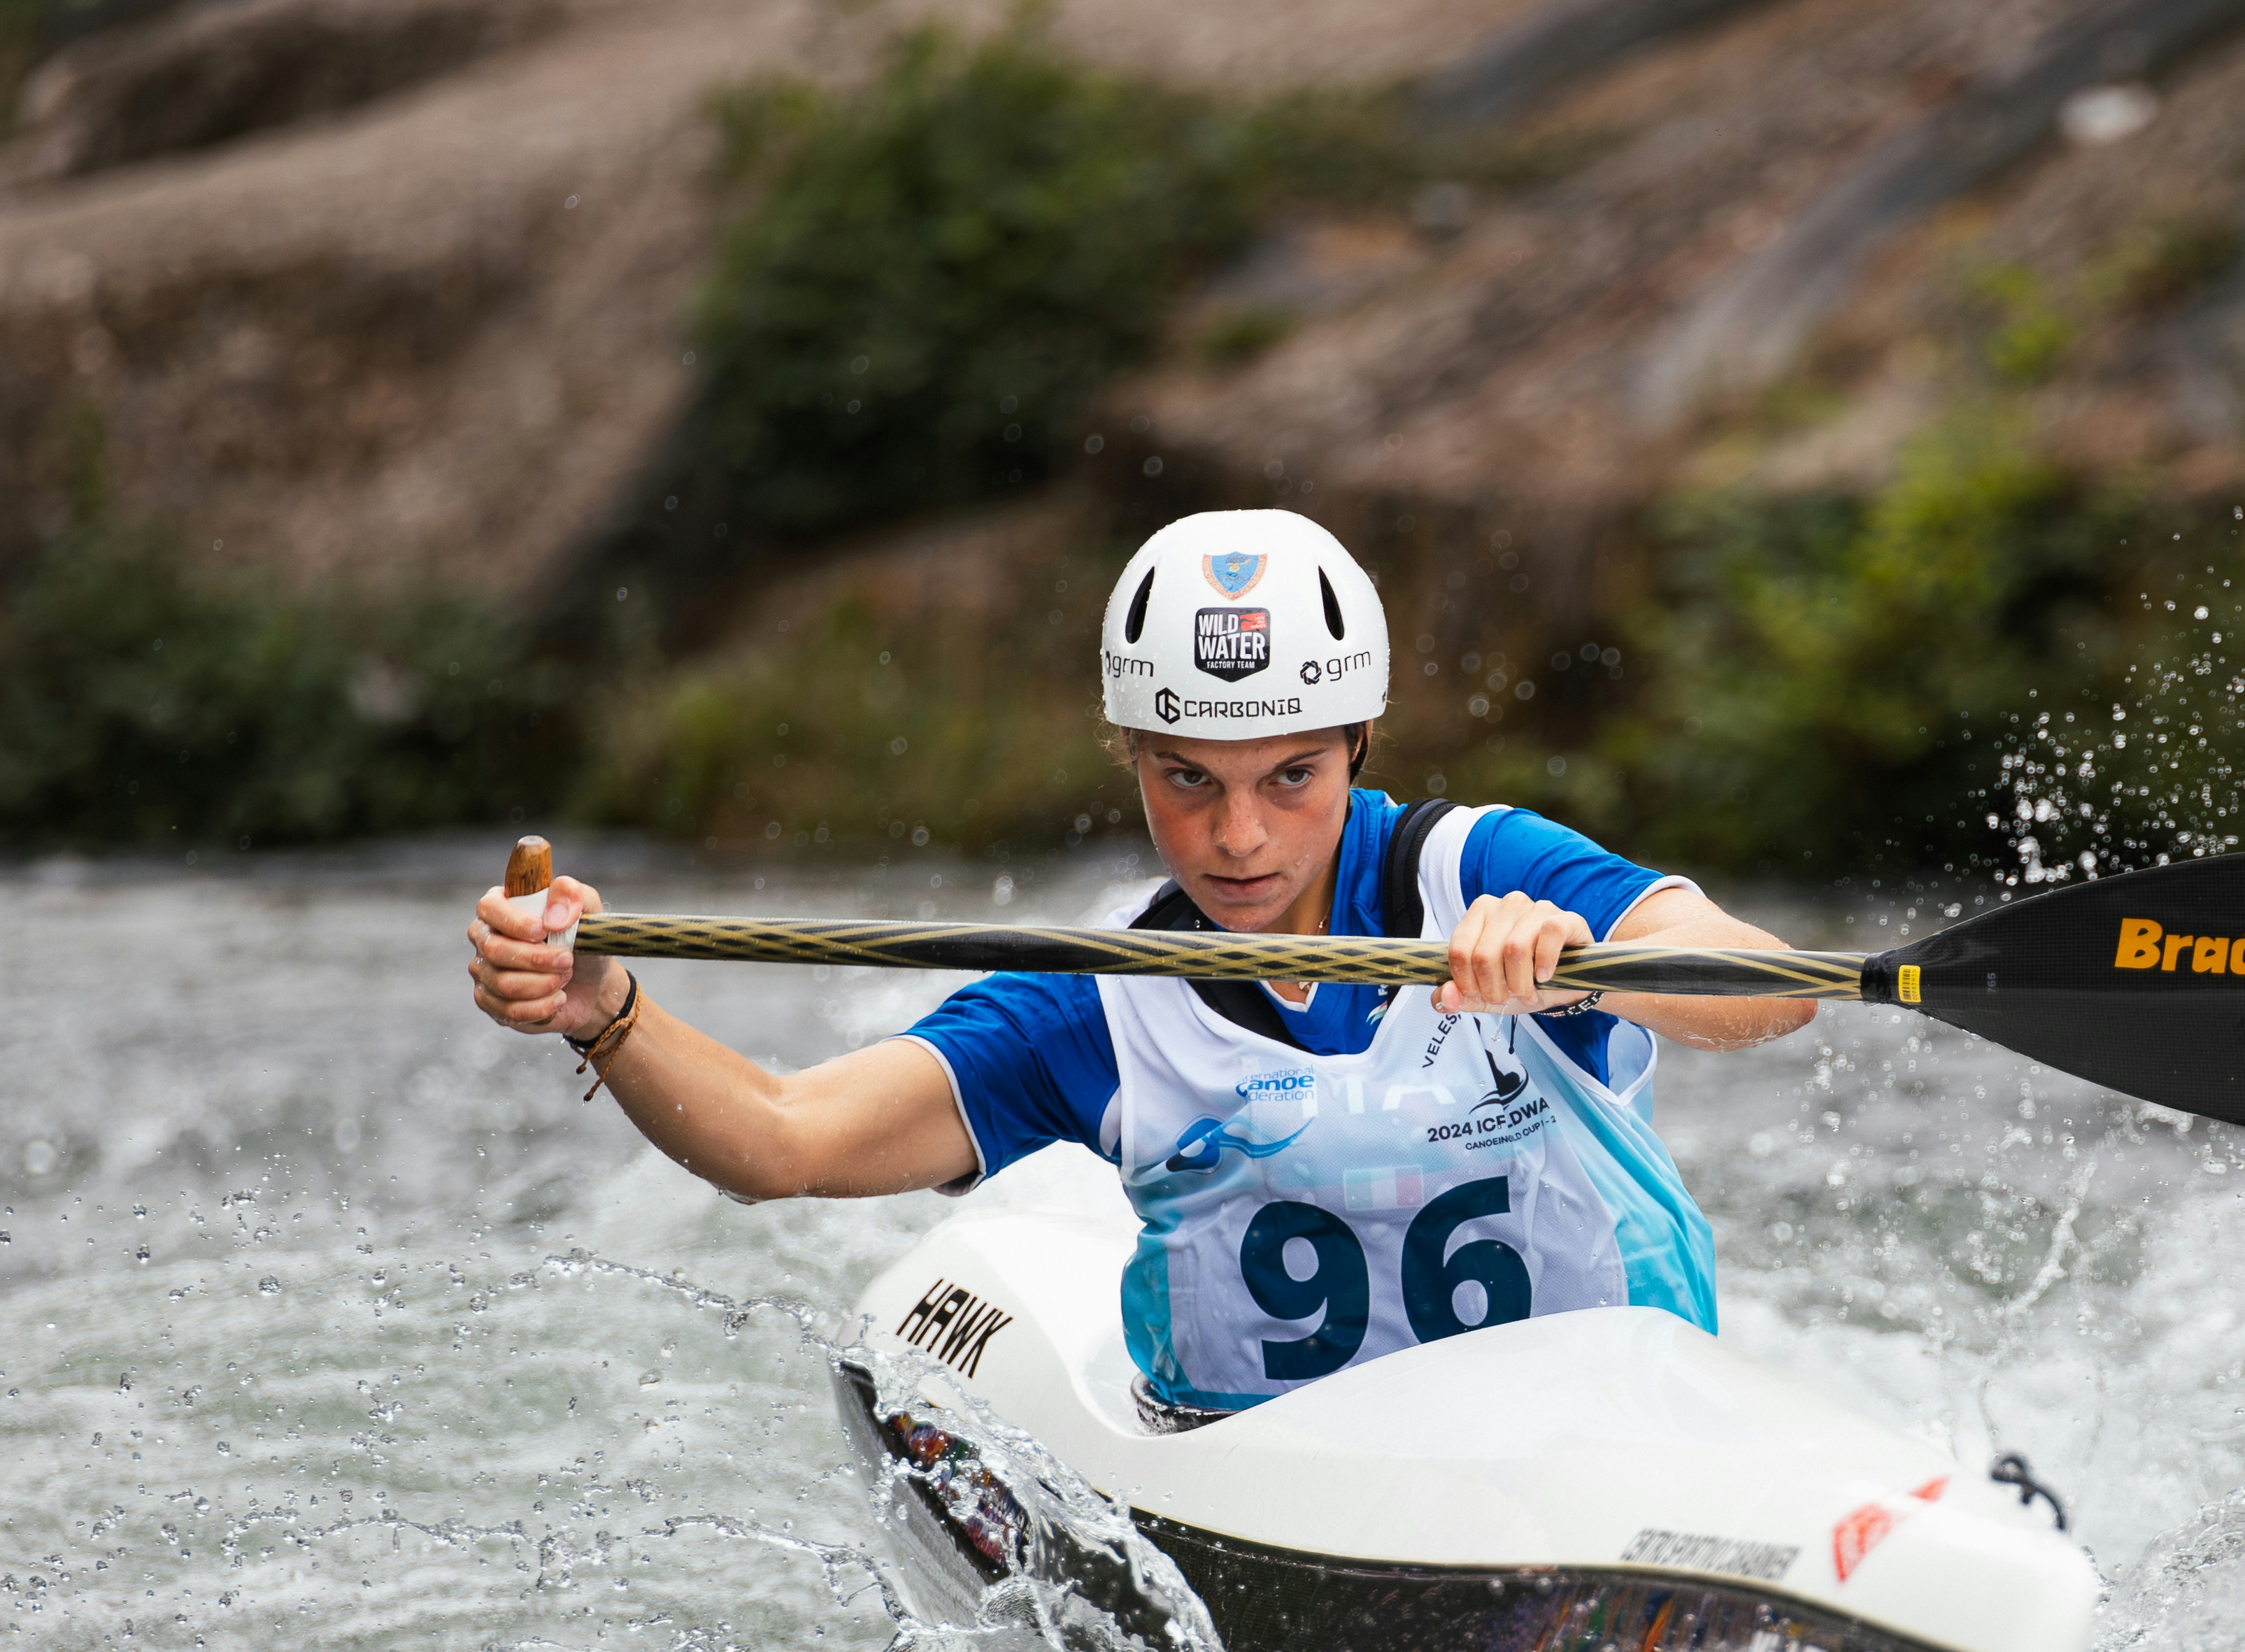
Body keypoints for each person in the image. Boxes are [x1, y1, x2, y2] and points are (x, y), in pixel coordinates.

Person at [469, 507, 1811, 1424]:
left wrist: (1588, 960)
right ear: (1131, 757)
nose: (1240, 836)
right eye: (1188, 779)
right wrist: (610, 1011)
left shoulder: (1486, 872)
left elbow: (1767, 982)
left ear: (1358, 744)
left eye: (1293, 777)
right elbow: (782, 1138)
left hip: (1606, 1449)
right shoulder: (1094, 1000)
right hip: (1287, 1493)